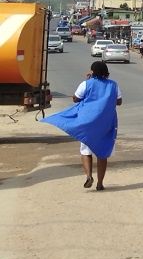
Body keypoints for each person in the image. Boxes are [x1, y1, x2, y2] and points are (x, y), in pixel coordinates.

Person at [42, 61, 122, 191]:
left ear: (93, 71)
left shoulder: (86, 84)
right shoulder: (114, 85)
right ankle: (100, 183)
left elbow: (75, 99)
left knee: (86, 150)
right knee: (103, 152)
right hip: (106, 123)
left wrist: (88, 80)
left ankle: (89, 176)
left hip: (88, 122)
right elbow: (119, 102)